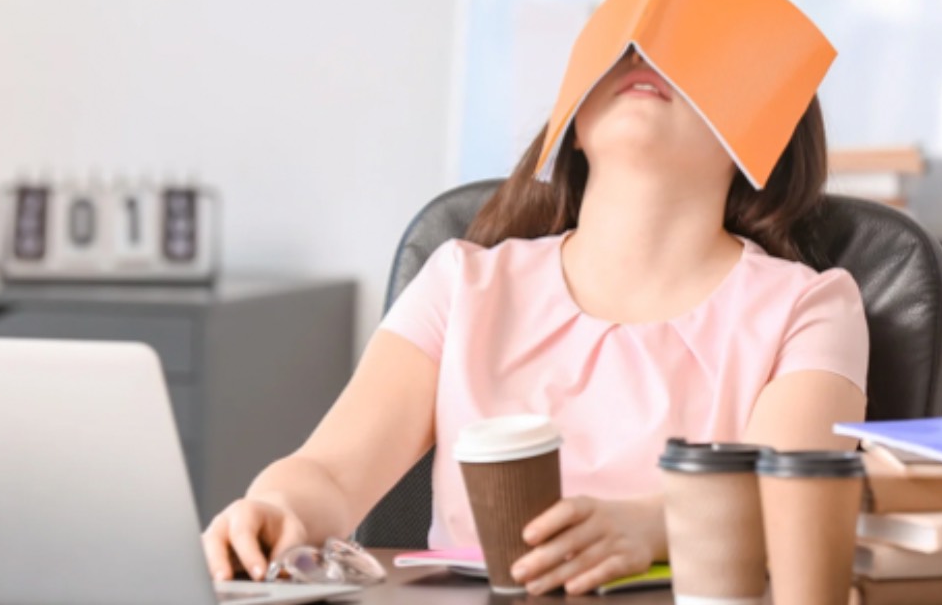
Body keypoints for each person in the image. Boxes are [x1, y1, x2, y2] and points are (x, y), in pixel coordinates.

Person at [202, 44, 869, 595]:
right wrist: (276, 509)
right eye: (626, 43)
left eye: (688, 48)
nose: (650, 57)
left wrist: (654, 525)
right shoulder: (463, 283)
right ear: (575, 120)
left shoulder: (808, 306)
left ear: (762, 128)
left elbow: (788, 498)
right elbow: (331, 472)